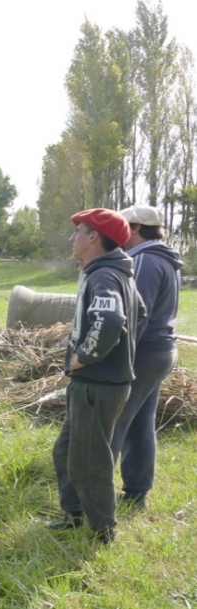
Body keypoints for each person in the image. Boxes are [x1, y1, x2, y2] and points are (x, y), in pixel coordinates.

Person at [49, 208, 144, 544]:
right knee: (65, 453)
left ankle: (103, 530)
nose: (72, 238)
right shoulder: (113, 272)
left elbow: (112, 321)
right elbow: (141, 315)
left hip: (97, 385)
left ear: (94, 238)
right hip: (98, 384)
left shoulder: (105, 275)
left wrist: (84, 357)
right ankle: (73, 514)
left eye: (79, 231)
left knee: (91, 461)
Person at [109, 205, 181, 509]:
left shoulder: (144, 261)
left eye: (124, 227)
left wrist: (113, 358)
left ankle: (90, 496)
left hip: (143, 352)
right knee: (140, 422)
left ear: (136, 229)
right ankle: (137, 492)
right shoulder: (163, 258)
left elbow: (136, 315)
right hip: (161, 351)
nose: (118, 235)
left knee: (112, 421)